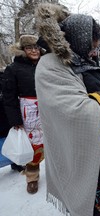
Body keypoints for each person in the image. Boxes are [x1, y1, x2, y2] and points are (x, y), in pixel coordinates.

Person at [35, 3, 100, 216]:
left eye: (97, 46)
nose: (95, 50)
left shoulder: (88, 59)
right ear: (78, 39)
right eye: (93, 44)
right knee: (89, 203)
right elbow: (74, 109)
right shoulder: (51, 64)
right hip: (82, 151)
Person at [2, 35, 44, 193]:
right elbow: (9, 96)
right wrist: (15, 119)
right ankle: (32, 177)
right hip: (28, 111)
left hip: (49, 108)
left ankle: (58, 175)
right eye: (29, 48)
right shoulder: (14, 68)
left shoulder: (46, 64)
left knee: (53, 143)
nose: (34, 50)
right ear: (23, 50)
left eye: (36, 47)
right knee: (33, 145)